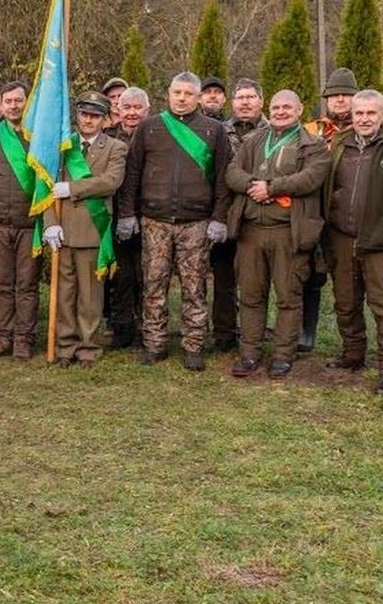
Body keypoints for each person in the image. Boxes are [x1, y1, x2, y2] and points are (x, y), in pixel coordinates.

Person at [117, 71, 232, 371]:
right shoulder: (149, 128)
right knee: (154, 285)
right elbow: (132, 174)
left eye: (188, 94)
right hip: (154, 221)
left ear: (197, 97)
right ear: (168, 94)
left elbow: (223, 178)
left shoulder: (213, 131)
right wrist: (128, 213)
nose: (182, 98)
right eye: (177, 93)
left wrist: (219, 218)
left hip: (195, 223)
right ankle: (154, 343)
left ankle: (193, 345)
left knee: (194, 288)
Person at [225, 90, 329, 379]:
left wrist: (272, 187)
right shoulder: (253, 140)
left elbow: (311, 177)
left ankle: (283, 354)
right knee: (251, 296)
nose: (281, 111)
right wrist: (252, 185)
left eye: (287, 107)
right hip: (251, 233)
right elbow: (231, 172)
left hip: (288, 232)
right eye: (276, 107)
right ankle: (249, 354)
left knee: (288, 296)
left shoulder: (313, 144)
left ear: (299, 110)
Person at [323, 90, 383, 394]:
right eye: (359, 113)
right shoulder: (340, 143)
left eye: (371, 113)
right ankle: (352, 354)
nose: (364, 119)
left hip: (380, 241)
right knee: (345, 302)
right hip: (340, 237)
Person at [42, 92, 126, 368]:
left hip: (92, 229)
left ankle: (88, 348)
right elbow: (46, 186)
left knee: (90, 296)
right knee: (65, 294)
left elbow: (111, 182)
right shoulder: (62, 147)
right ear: (76, 115)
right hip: (63, 229)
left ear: (104, 119)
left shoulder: (115, 148)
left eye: (95, 115)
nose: (88, 120)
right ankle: (66, 346)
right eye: (84, 114)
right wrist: (50, 225)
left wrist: (73, 188)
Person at [0, 81, 41, 359]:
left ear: (27, 102)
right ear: (1, 105)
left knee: (27, 285)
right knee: (1, 284)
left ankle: (24, 339)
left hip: (29, 223)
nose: (13, 106)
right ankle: (2, 336)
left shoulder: (38, 134)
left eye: (18, 100)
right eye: (8, 101)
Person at [301, 67, 357, 351]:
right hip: (311, 213)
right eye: (334, 95)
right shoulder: (312, 130)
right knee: (308, 274)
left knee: (346, 282)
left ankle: (351, 343)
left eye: (346, 95)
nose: (339, 100)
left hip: (345, 215)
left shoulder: (364, 129)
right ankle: (306, 334)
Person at [214, 78, 270, 352]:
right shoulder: (218, 131)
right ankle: (224, 333)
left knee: (258, 281)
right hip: (225, 212)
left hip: (261, 213)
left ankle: (255, 333)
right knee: (223, 277)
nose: (245, 102)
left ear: (261, 100)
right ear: (231, 102)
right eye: (240, 97)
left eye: (251, 97)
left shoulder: (275, 132)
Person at [105, 86, 149, 348]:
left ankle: (147, 328)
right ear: (118, 110)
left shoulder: (157, 135)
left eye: (137, 108)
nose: (132, 113)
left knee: (147, 275)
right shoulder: (109, 137)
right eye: (127, 108)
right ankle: (122, 327)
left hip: (149, 215)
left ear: (147, 110)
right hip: (114, 216)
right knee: (121, 275)